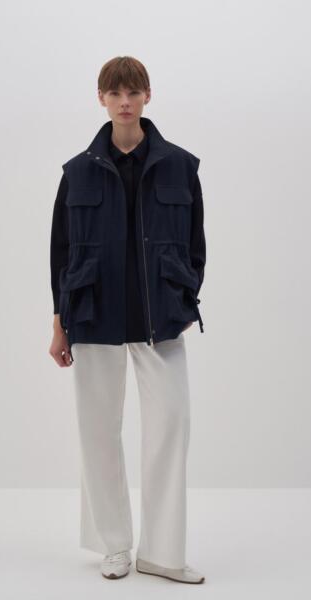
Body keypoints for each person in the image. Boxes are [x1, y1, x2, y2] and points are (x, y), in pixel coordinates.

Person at [49, 56, 206, 584]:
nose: (124, 101)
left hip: (161, 318)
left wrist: (184, 296)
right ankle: (114, 545)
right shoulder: (76, 172)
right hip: (94, 315)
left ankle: (162, 552)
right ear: (101, 98)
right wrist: (59, 323)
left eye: (133, 92)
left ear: (147, 96)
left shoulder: (181, 165)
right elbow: (60, 252)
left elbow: (197, 245)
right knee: (98, 431)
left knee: (171, 426)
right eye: (115, 93)